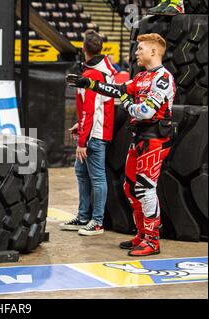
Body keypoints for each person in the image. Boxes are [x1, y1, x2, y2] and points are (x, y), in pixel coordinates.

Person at [66, 33, 175, 256]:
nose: (136, 52)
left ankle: (153, 241)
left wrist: (127, 103)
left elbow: (145, 112)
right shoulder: (142, 76)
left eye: (141, 48)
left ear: (153, 52)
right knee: (129, 187)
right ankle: (142, 234)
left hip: (154, 139)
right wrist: (90, 83)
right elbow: (119, 90)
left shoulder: (163, 78)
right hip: (139, 138)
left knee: (145, 188)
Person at [59, 30, 115, 236]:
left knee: (97, 178)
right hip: (93, 131)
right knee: (82, 174)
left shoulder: (92, 74)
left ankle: (97, 222)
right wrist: (80, 125)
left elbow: (91, 110)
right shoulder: (103, 69)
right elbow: (96, 108)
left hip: (94, 135)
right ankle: (83, 217)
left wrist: (82, 140)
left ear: (84, 50)